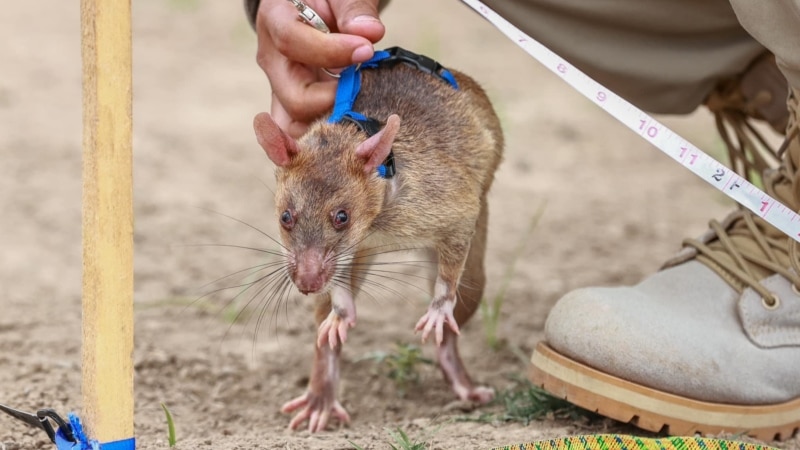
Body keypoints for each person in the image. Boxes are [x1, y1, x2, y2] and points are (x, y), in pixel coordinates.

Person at [245, 0, 800, 439]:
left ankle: (452, 363)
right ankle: (326, 385)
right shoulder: (317, 173)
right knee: (335, 282)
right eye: (291, 223)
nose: (303, 267)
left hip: (429, 153)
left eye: (336, 220)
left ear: (373, 162)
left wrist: (442, 296)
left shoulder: (417, 193)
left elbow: (458, 215)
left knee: (453, 285)